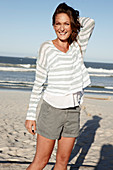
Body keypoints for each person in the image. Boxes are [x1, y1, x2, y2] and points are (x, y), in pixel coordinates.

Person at [25, 2, 95, 170]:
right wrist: (30, 115)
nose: (62, 28)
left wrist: (73, 16)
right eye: (58, 23)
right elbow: (39, 83)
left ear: (72, 25)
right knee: (40, 162)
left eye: (66, 23)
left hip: (73, 111)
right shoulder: (46, 48)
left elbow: (90, 22)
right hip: (51, 111)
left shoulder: (78, 45)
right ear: (53, 25)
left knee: (62, 163)